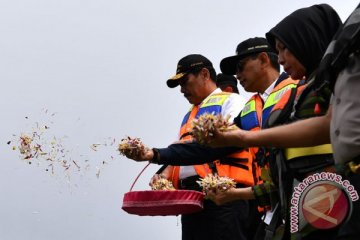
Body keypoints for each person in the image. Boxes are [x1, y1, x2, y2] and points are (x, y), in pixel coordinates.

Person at [201, 4, 344, 239]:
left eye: (285, 49)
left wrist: (245, 137)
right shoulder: (301, 93)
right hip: (299, 211)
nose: (282, 58)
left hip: (333, 207)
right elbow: (285, 178)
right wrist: (233, 194)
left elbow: (328, 128)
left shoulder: (335, 84)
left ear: (307, 40)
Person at [129, 54, 254, 240]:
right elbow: (185, 153)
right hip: (192, 200)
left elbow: (229, 140)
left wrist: (155, 154)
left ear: (204, 74)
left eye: (185, 81)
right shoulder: (189, 114)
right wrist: (164, 173)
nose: (182, 90)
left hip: (226, 195)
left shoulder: (232, 101)